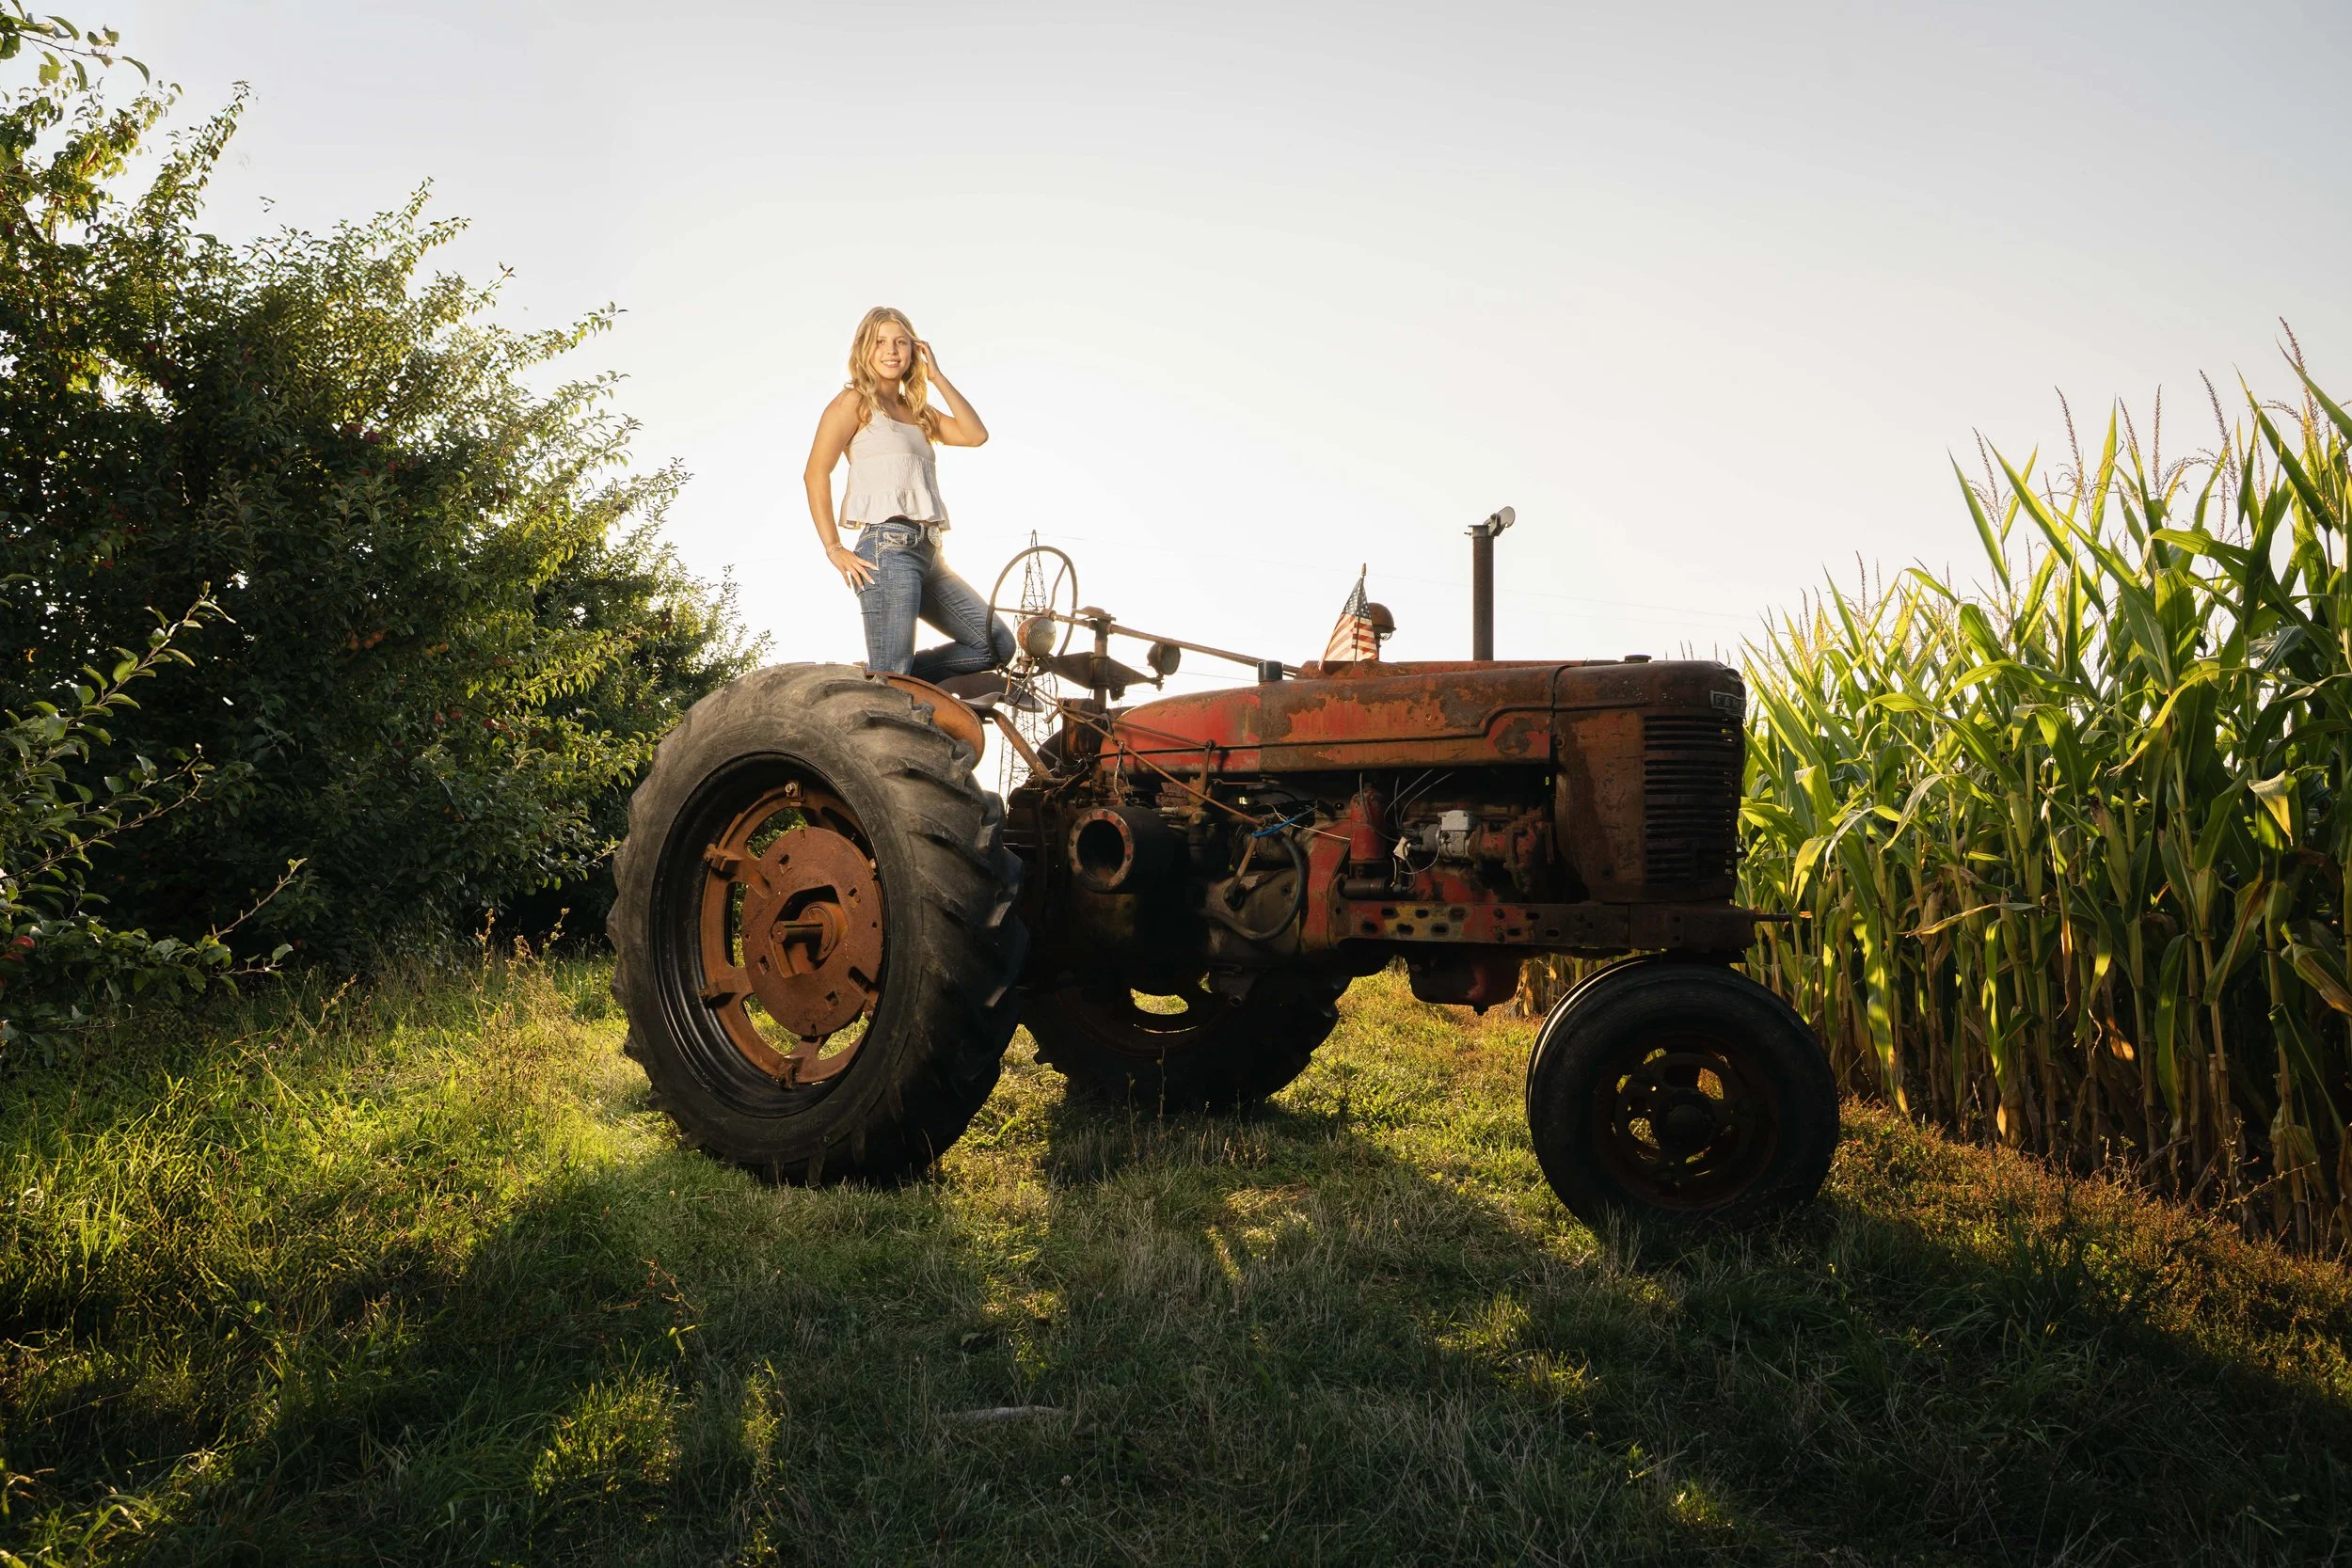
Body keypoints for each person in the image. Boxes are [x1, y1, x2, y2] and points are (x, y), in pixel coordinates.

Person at [803, 307, 1014, 690]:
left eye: (901, 342)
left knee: (996, 643)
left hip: (931, 552)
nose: (891, 351)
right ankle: (889, 681)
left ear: (915, 350)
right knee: (893, 675)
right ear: (864, 349)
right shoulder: (852, 403)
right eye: (880, 342)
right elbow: (815, 472)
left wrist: (937, 377)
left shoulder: (918, 412)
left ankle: (890, 680)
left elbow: (975, 435)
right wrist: (833, 547)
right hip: (887, 549)